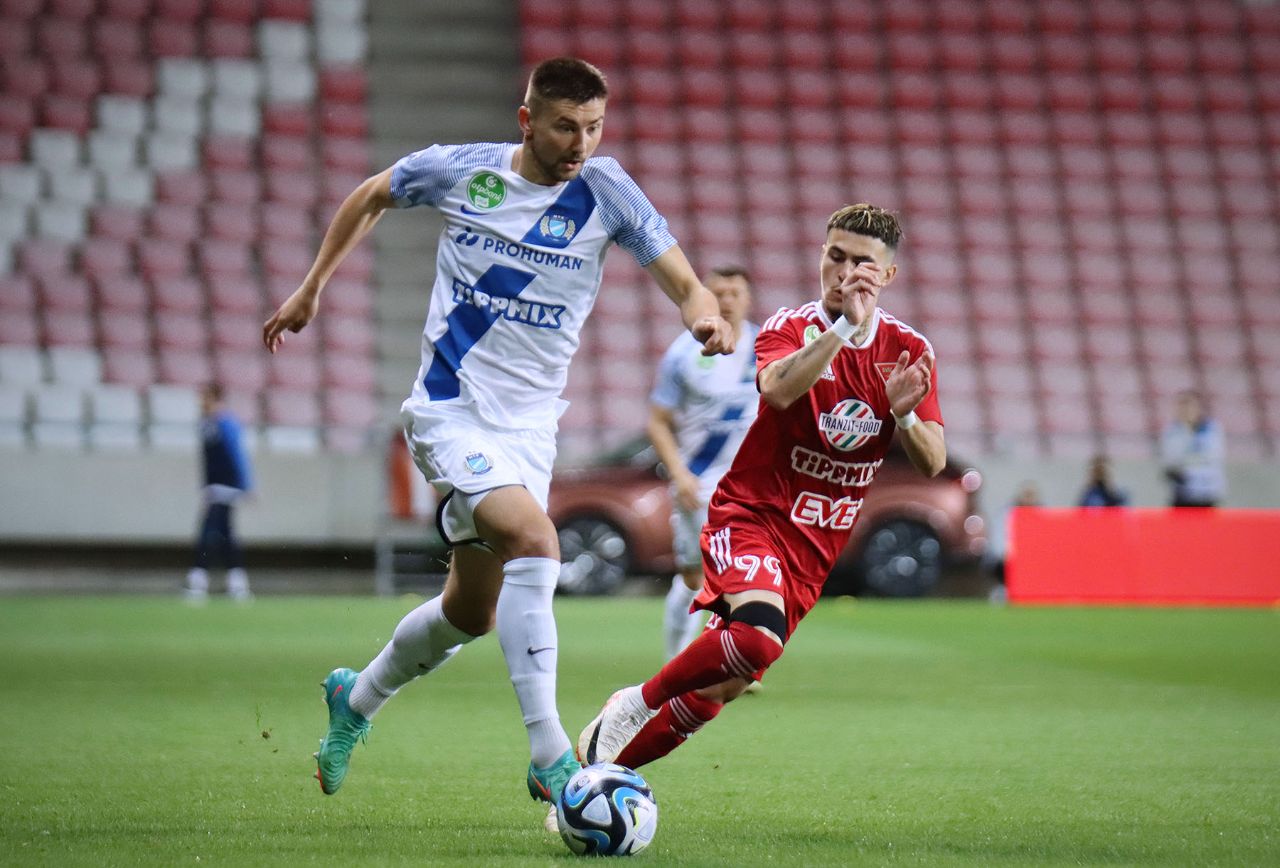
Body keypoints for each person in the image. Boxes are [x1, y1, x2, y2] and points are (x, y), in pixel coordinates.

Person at [261, 57, 734, 823]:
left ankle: (356, 697)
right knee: (537, 540)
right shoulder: (463, 172)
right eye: (565, 127)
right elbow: (372, 193)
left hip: (531, 431)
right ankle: (551, 754)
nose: (581, 143)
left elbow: (685, 282)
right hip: (450, 410)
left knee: (469, 613)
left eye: (594, 127)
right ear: (526, 120)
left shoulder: (606, 190)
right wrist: (312, 286)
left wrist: (704, 316)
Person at [577, 203, 945, 772]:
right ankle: (635, 703)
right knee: (756, 638)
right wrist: (844, 329)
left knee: (721, 685)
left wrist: (904, 415)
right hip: (752, 515)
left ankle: (596, 778)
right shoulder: (787, 327)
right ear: (821, 256)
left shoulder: (908, 350)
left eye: (862, 264)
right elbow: (777, 390)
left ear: (888, 275)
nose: (845, 274)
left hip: (814, 546)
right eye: (836, 257)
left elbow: (933, 461)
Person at [647, 266, 760, 661]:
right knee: (695, 577)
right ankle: (676, 661)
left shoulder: (769, 347)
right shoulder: (683, 353)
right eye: (718, 293)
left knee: (747, 571)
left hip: (751, 484)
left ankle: (730, 663)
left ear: (748, 299)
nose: (727, 301)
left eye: (735, 293)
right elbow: (658, 421)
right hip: (699, 479)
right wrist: (679, 474)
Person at [184, 383, 253, 602]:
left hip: (226, 486)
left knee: (209, 532)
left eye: (204, 397)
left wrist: (246, 483)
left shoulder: (225, 423)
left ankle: (199, 577)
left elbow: (237, 454)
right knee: (225, 534)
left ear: (215, 398)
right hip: (215, 486)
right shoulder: (208, 423)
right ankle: (236, 580)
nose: (200, 402)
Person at [1161, 390, 1225, 507]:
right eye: (1181, 404)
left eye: (1188, 404)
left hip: (1207, 492)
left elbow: (1212, 457)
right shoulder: (1171, 431)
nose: (1185, 409)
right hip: (1181, 493)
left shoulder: (1211, 429)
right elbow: (1170, 461)